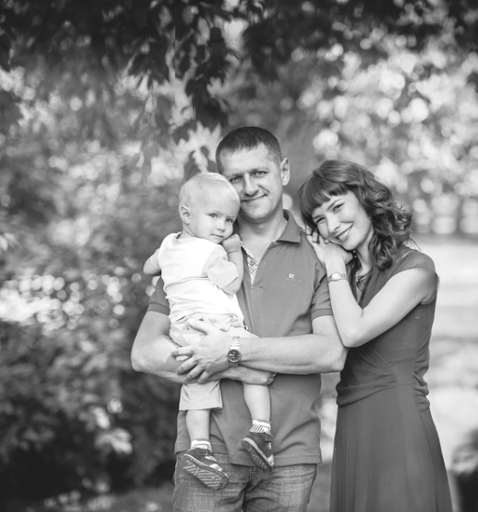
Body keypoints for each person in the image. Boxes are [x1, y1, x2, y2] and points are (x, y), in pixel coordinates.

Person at [131, 126, 345, 512]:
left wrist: (231, 350)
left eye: (259, 173)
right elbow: (145, 352)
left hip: (289, 454)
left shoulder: (318, 252)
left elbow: (330, 352)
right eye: (235, 178)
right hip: (206, 451)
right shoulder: (194, 250)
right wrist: (235, 366)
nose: (248, 188)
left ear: (283, 171)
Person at [297, 160, 453, 512]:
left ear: (365, 198)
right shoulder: (342, 277)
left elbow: (354, 331)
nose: (332, 226)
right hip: (353, 425)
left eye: (338, 207)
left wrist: (333, 265)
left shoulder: (416, 269)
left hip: (399, 425)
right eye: (320, 219)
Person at [142, 173, 274, 491]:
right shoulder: (210, 251)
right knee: (259, 360)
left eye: (228, 220)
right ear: (186, 214)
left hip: (183, 328)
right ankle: (261, 430)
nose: (222, 227)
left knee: (197, 384)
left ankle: (200, 448)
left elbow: (149, 268)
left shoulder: (168, 245)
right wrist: (234, 252)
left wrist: (169, 263)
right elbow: (232, 283)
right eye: (214, 216)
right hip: (218, 324)